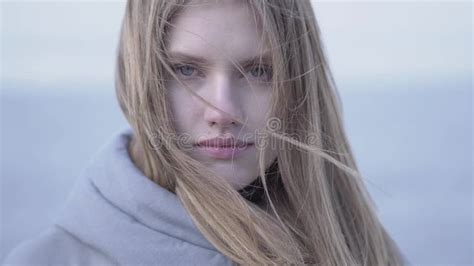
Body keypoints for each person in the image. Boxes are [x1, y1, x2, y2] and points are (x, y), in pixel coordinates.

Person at [3, 0, 408, 265]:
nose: (224, 112)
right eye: (186, 70)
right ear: (140, 80)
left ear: (301, 90)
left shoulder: (366, 251)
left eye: (259, 71)